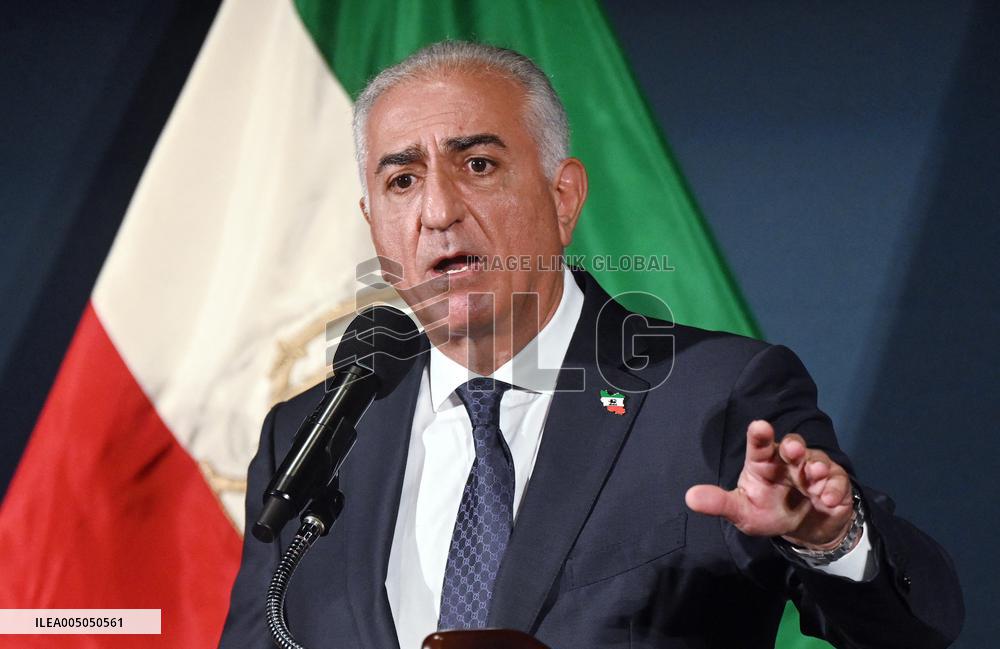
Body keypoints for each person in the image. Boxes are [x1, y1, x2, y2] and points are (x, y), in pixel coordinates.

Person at [219, 41, 963, 649]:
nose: (439, 211)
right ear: (375, 225)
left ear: (563, 197)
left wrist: (832, 541)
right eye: (403, 180)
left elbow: (917, 627)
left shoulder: (713, 395)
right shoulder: (311, 437)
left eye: (478, 165)